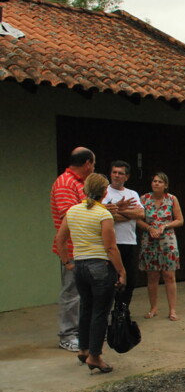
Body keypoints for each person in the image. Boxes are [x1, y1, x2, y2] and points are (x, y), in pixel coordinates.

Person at [54, 173, 126, 373]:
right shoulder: (103, 214)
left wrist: (66, 261)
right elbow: (110, 247)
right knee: (100, 312)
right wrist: (121, 271)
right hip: (99, 265)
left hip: (80, 265)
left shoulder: (73, 211)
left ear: (85, 190)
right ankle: (95, 355)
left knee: (86, 308)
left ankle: (84, 348)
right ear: (104, 192)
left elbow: (60, 239)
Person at [50, 147, 95, 352]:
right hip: (72, 249)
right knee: (72, 293)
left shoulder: (81, 183)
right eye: (93, 163)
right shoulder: (65, 183)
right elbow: (69, 216)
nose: (93, 168)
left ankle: (82, 332)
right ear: (87, 163)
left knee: (85, 293)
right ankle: (67, 335)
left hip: (86, 248)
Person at [137, 172, 184, 321]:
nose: (156, 184)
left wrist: (165, 226)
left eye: (160, 182)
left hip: (167, 240)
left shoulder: (171, 199)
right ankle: (153, 308)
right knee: (152, 276)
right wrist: (149, 228)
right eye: (154, 181)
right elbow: (137, 219)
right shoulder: (144, 199)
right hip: (150, 239)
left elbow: (180, 220)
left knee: (169, 275)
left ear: (165, 185)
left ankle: (172, 310)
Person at [103, 160, 144, 308]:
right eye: (114, 172)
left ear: (127, 177)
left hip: (129, 242)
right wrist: (128, 213)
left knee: (130, 280)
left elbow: (141, 214)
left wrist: (118, 210)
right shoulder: (104, 192)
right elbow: (106, 216)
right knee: (111, 280)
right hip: (111, 244)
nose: (117, 175)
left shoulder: (132, 194)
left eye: (120, 173)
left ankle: (122, 312)